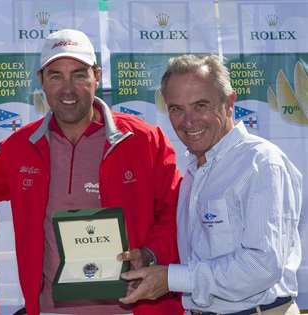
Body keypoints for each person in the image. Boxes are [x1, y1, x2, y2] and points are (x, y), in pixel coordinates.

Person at [0, 29, 183, 314]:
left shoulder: (145, 140)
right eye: (56, 76)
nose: (67, 88)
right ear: (42, 82)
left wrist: (149, 253)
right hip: (51, 309)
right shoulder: (20, 148)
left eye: (79, 74)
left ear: (97, 76)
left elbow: (177, 211)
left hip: (135, 308)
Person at [119, 54, 302, 315]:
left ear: (229, 104)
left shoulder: (260, 163)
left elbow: (261, 266)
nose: (188, 121)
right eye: (177, 109)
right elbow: (202, 259)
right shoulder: (195, 171)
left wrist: (173, 278)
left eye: (201, 105)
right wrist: (149, 259)